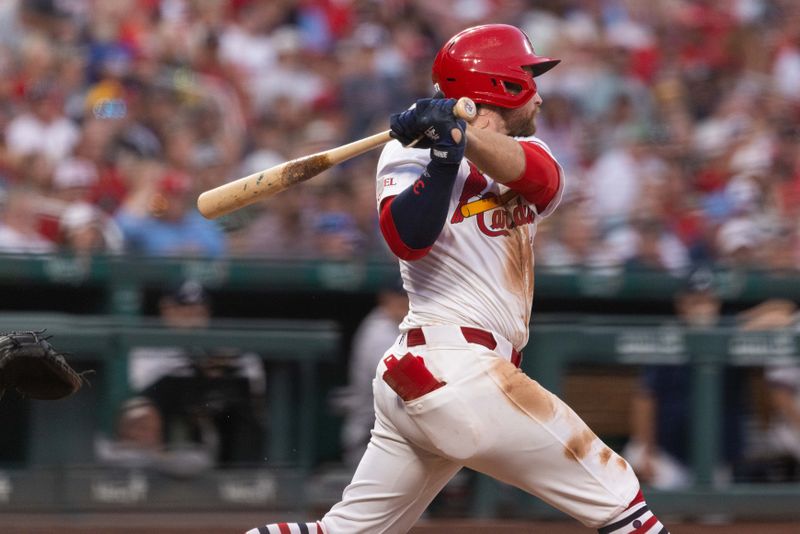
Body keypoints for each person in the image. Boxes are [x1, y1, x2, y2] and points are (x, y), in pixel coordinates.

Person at [248, 24, 668, 534]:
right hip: (454, 367)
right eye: (527, 79)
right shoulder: (408, 153)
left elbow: (542, 181)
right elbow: (408, 238)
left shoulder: (531, 153)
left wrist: (458, 138)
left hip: (439, 376)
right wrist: (443, 158)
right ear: (503, 86)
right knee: (621, 499)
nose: (537, 94)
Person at [128, 279, 266, 466]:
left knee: (239, 402)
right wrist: (188, 366)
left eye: (199, 311)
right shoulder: (150, 346)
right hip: (170, 413)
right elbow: (137, 386)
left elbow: (255, 379)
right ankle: (155, 478)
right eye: (184, 310)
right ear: (166, 310)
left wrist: (222, 369)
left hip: (210, 407)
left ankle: (242, 480)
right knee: (148, 409)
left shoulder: (221, 345)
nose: (193, 318)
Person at [334, 278, 409, 468]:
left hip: (391, 437)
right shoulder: (380, 333)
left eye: (410, 296)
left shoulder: (398, 327)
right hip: (372, 441)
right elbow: (406, 386)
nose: (407, 302)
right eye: (401, 297)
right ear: (386, 298)